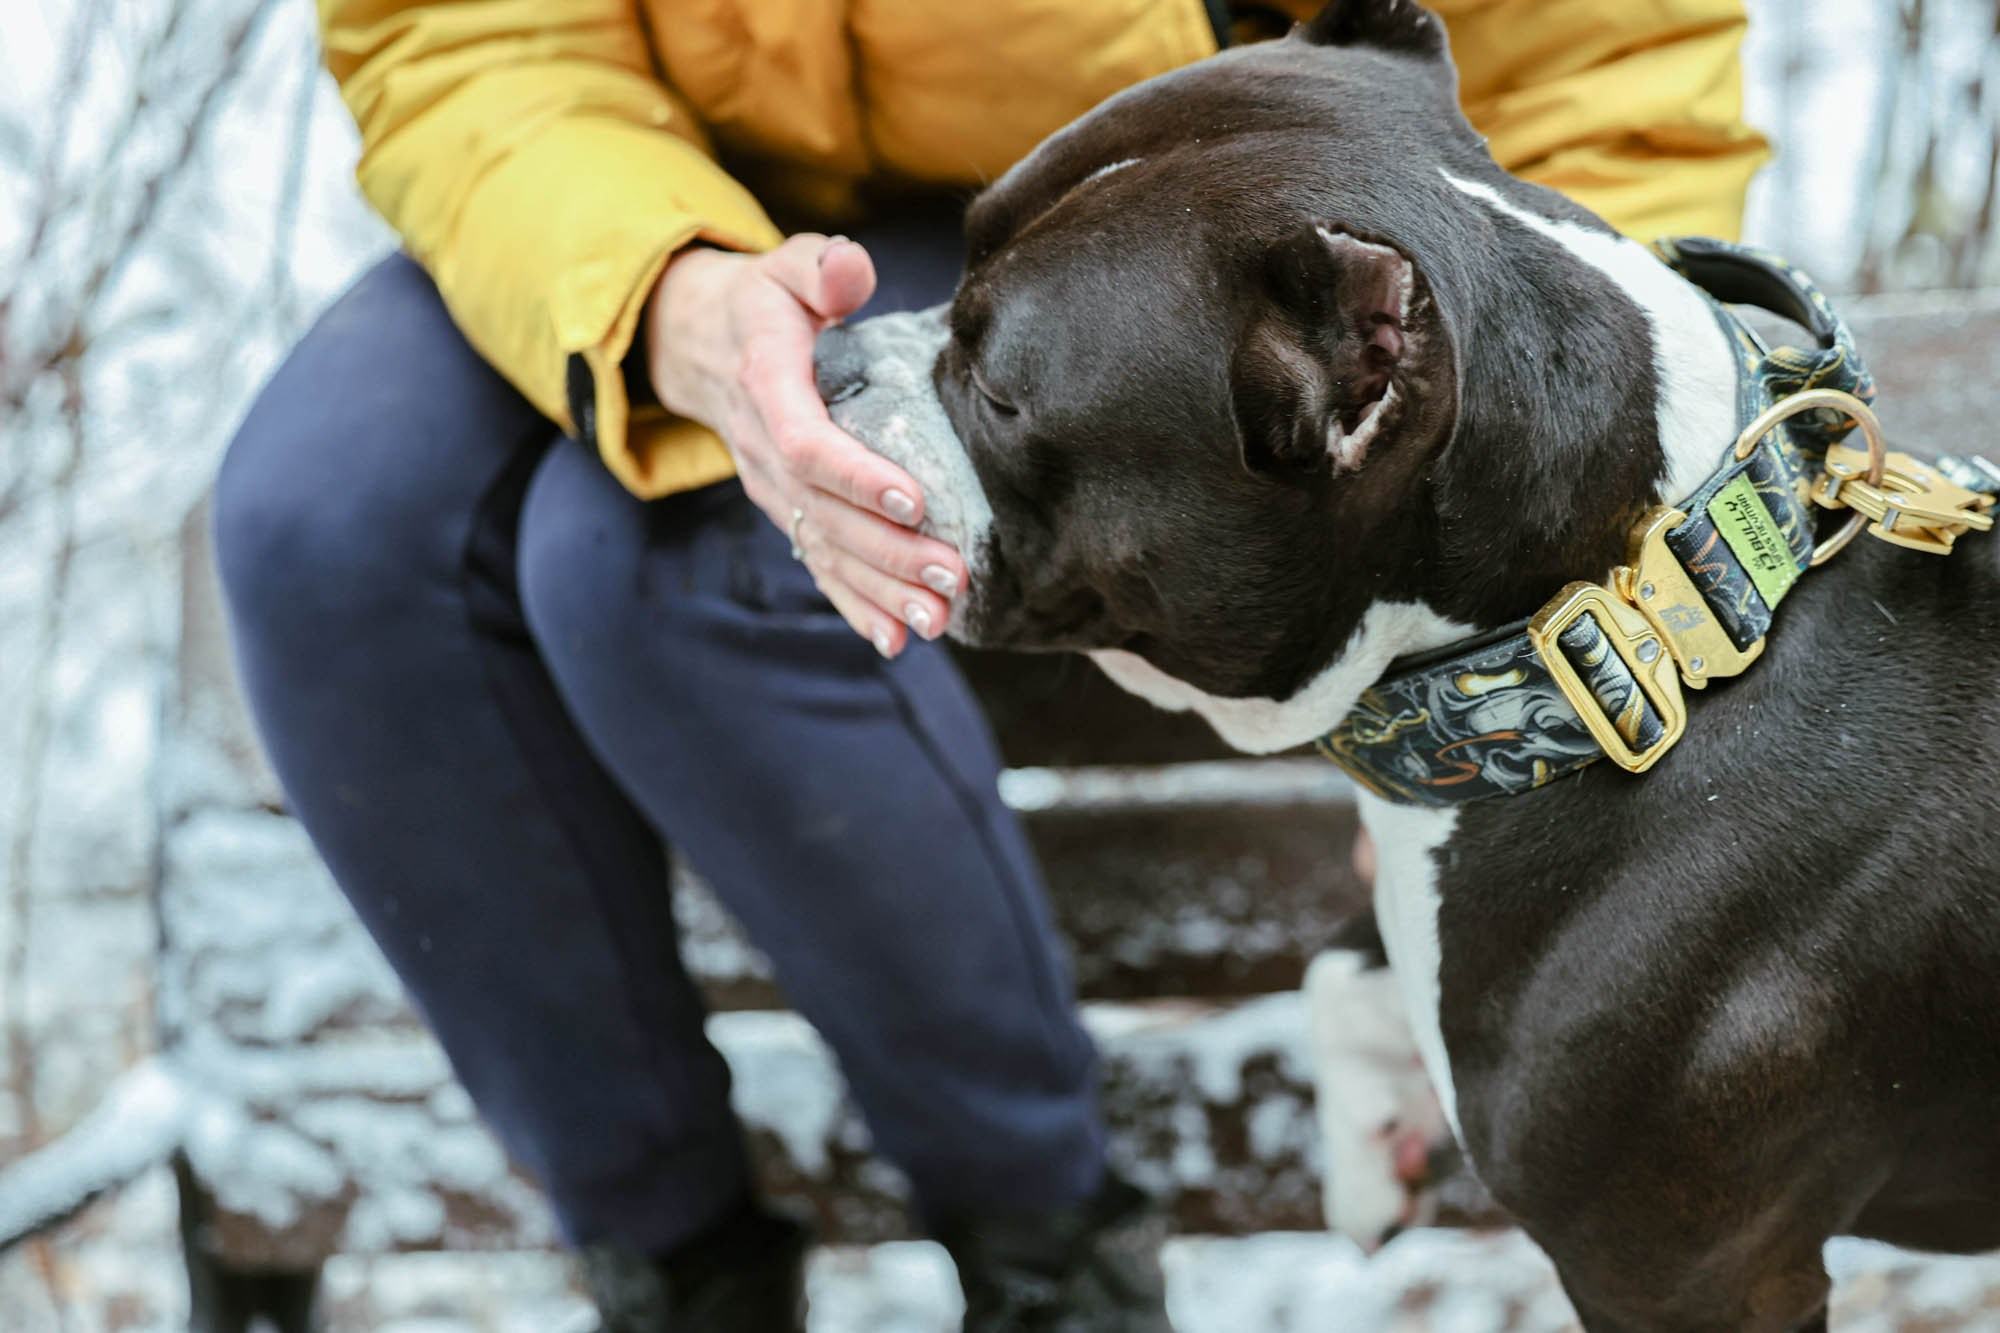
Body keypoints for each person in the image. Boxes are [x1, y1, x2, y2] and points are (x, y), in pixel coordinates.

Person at [211, 1, 1768, 1329]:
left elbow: (1598, 69)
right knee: (325, 535)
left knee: (671, 562)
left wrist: (1498, 609)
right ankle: (673, 1263)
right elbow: (450, 29)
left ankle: (1054, 1263)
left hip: (1152, 248)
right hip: (620, 169)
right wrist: (668, 294)